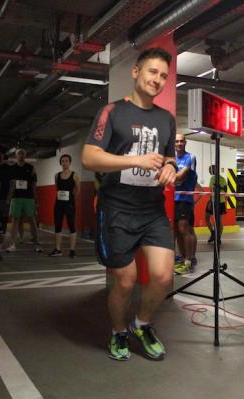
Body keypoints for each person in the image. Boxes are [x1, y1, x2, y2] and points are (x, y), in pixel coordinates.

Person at [82, 47, 176, 361]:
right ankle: (118, 331)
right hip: (117, 209)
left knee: (163, 276)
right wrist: (136, 159)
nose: (157, 79)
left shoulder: (166, 119)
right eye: (152, 72)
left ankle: (142, 324)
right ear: (136, 72)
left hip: (152, 210)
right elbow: (89, 157)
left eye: (163, 75)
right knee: (125, 280)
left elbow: (170, 157)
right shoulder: (112, 112)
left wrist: (170, 168)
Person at [7, 148, 41, 252]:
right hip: (16, 198)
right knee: (15, 221)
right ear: (16, 156)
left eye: (23, 153)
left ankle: (36, 244)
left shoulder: (31, 167)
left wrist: (36, 199)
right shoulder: (12, 168)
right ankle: (12, 245)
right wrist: (9, 198)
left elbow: (34, 185)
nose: (21, 155)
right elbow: (11, 185)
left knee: (32, 220)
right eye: (19, 153)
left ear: (25, 155)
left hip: (29, 198)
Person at [173, 133, 198, 275]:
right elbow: (176, 178)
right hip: (173, 199)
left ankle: (189, 261)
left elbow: (181, 176)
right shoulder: (172, 159)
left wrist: (165, 176)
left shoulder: (190, 157)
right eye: (177, 141)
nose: (179, 143)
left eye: (181, 141)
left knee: (184, 229)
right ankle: (184, 259)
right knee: (177, 230)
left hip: (185, 199)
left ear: (185, 142)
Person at [49, 154, 81, 257]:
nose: (65, 163)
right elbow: (57, 187)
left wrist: (71, 199)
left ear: (70, 162)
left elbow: (78, 189)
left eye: (67, 161)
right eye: (63, 161)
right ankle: (58, 249)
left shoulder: (75, 175)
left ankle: (72, 250)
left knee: (71, 225)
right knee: (58, 225)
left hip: (69, 204)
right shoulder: (57, 175)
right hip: (58, 204)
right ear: (60, 163)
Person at [205, 164, 227, 245]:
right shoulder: (221, 179)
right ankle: (214, 234)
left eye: (210, 169)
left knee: (216, 221)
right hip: (217, 201)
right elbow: (224, 190)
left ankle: (217, 236)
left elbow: (212, 191)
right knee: (208, 217)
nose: (209, 171)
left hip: (217, 201)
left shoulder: (216, 178)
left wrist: (211, 202)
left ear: (214, 170)